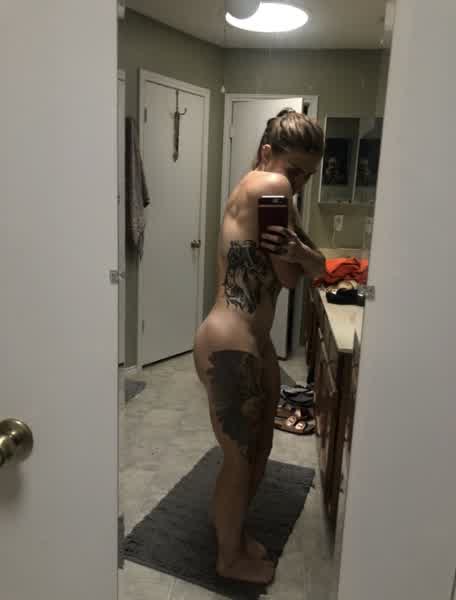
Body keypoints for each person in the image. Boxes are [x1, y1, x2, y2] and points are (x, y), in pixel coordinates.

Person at [193, 109, 325, 584]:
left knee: (260, 447)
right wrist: (309, 257)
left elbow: (308, 266)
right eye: (294, 169)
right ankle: (228, 559)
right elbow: (293, 273)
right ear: (267, 153)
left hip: (255, 340)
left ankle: (230, 528)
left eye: (307, 175)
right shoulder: (271, 187)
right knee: (241, 457)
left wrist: (307, 256)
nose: (298, 182)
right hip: (231, 341)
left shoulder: (272, 192)